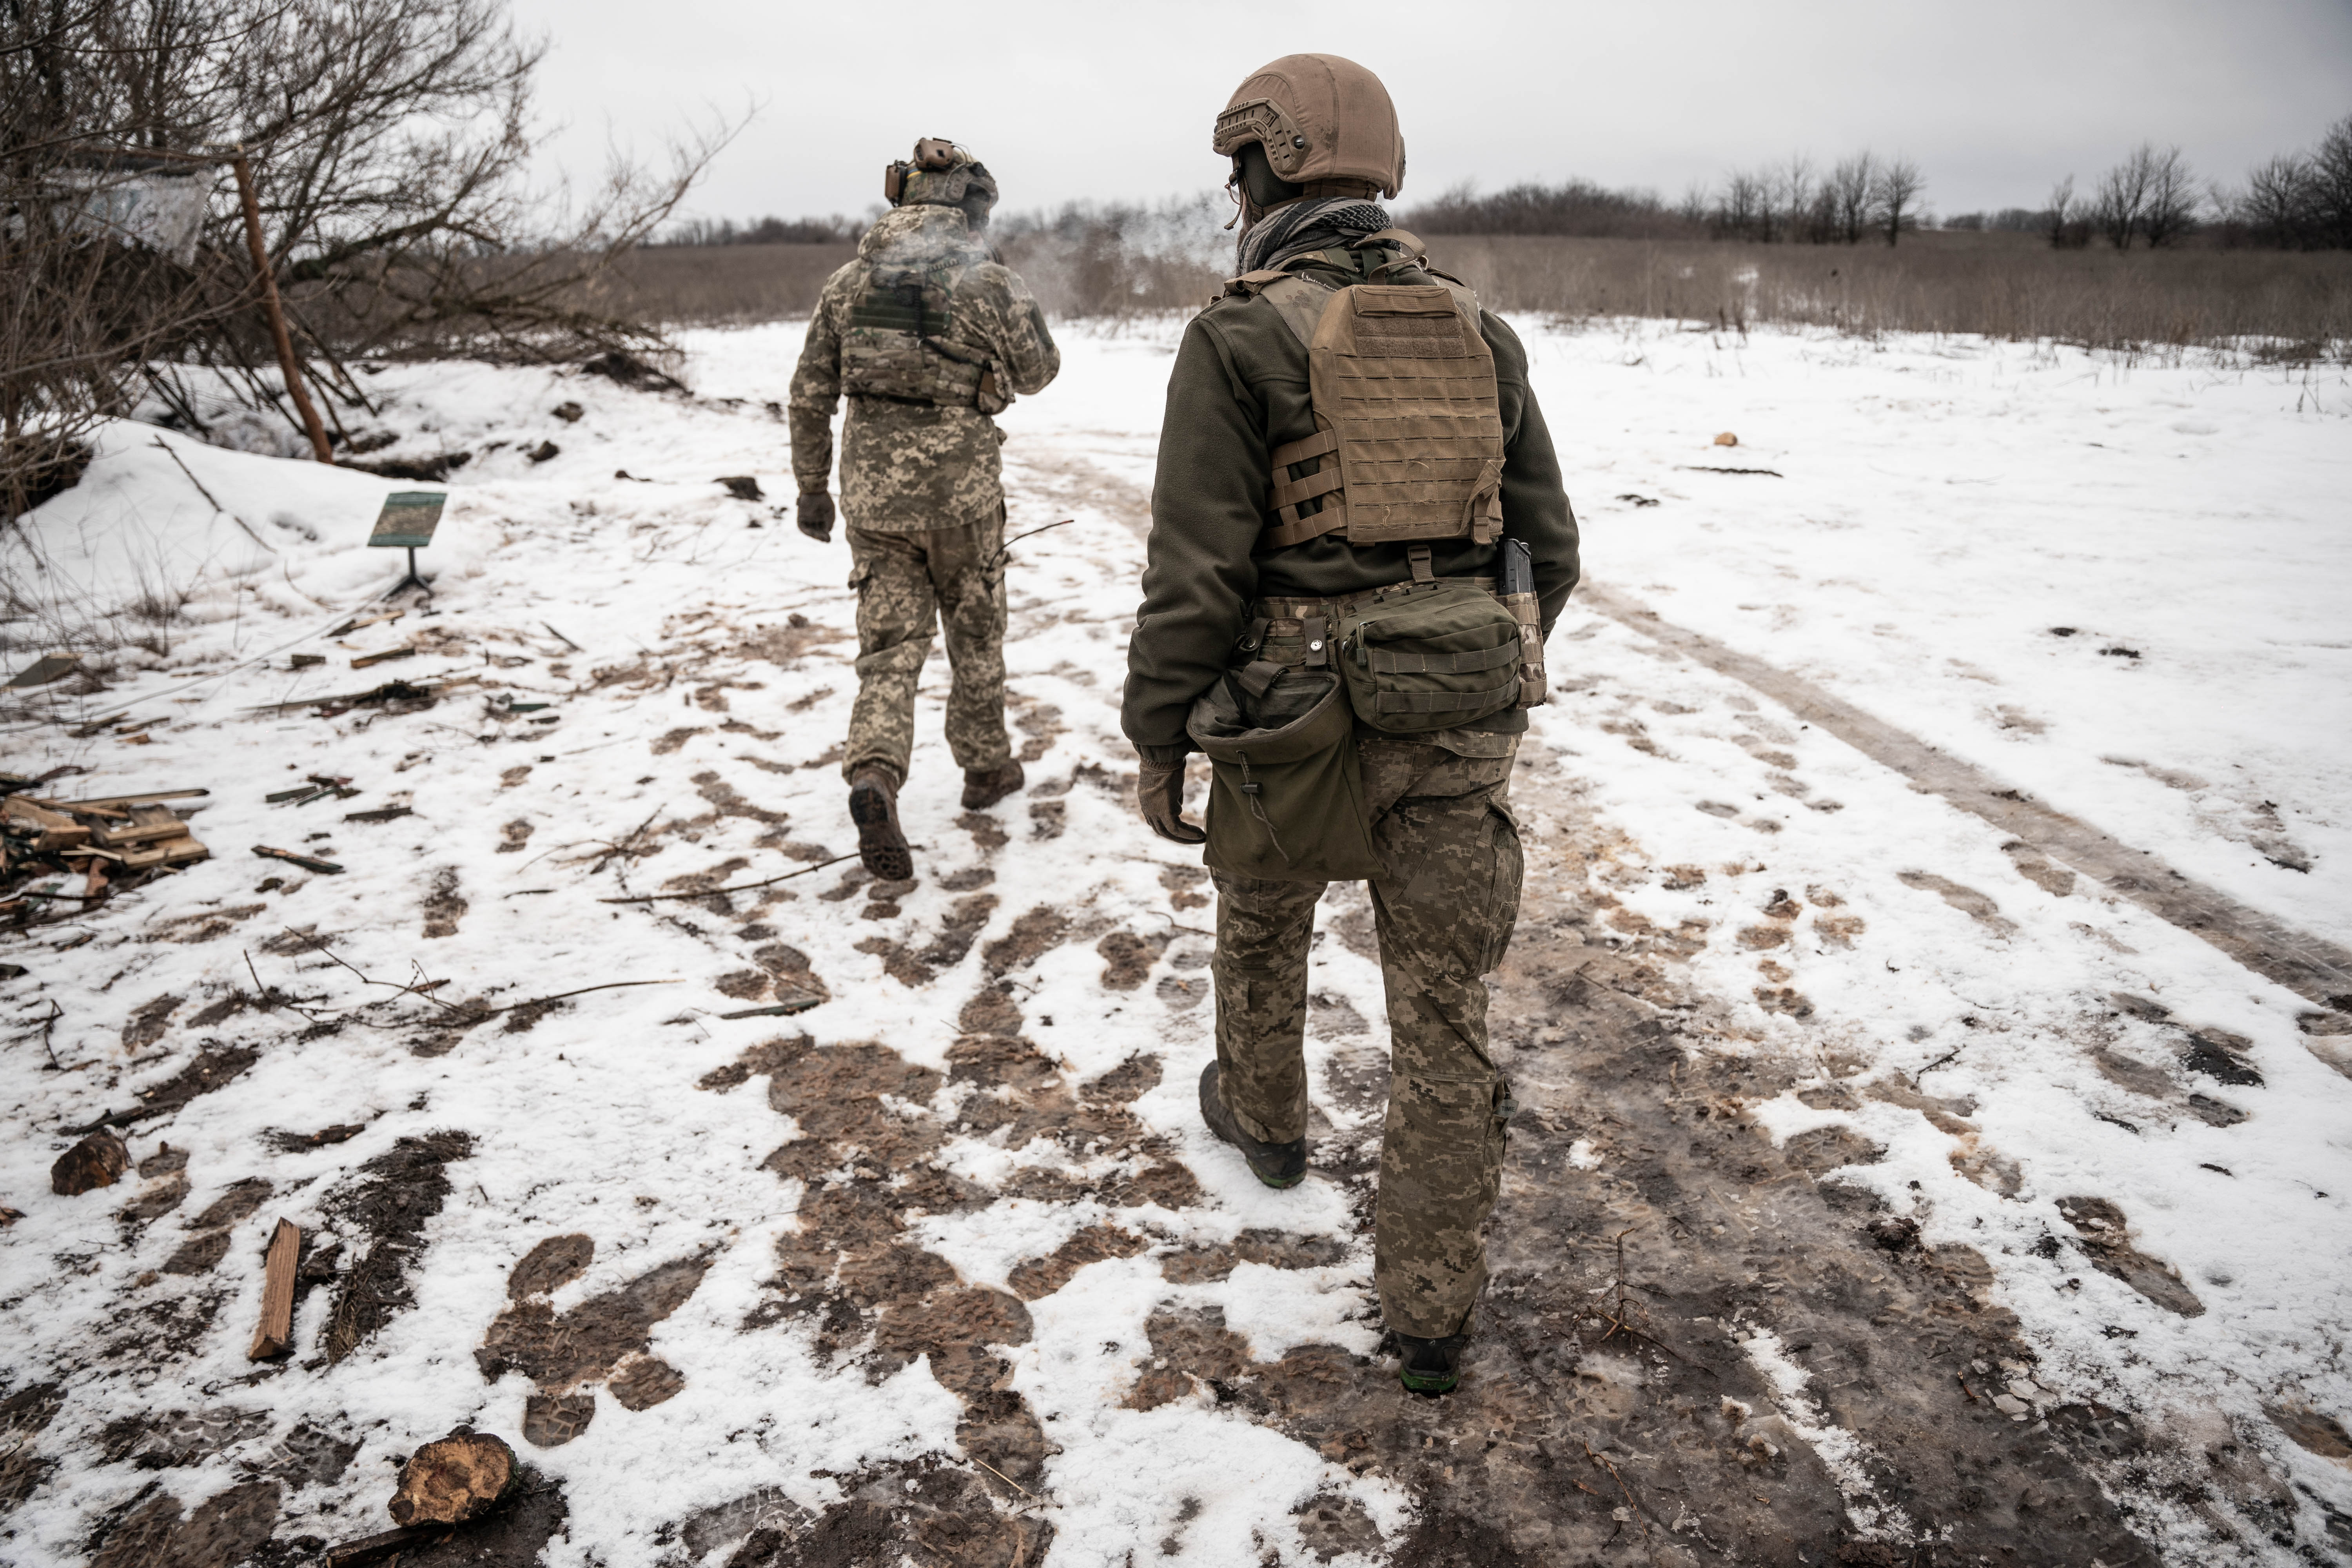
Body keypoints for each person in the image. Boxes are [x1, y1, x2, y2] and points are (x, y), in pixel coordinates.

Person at [1120, 54, 1579, 1396]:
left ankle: (1267, 1127)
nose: (1229, 193)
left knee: (1263, 916)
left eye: (1238, 168)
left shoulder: (1238, 334)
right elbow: (1550, 547)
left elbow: (1193, 574)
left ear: (1277, 165)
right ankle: (1432, 1313)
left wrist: (1162, 734)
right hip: (1456, 712)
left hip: (1291, 710)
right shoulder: (1479, 331)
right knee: (1444, 1017)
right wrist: (1469, 661)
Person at [789, 139, 1061, 880]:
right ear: (969, 207)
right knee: (974, 634)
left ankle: (875, 771)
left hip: (873, 498)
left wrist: (812, 488)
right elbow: (1040, 372)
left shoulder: (847, 284)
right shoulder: (988, 281)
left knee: (889, 649)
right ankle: (985, 771)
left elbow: (809, 393)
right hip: (963, 494)